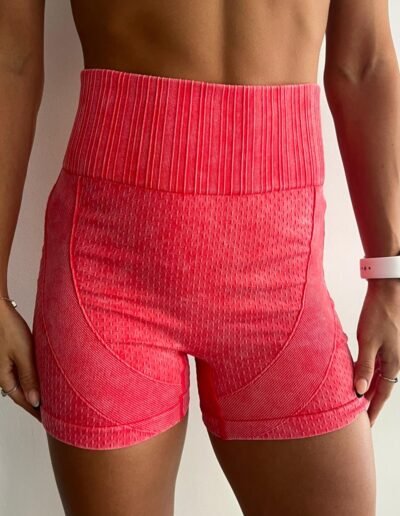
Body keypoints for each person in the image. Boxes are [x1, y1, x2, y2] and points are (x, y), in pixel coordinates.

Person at [0, 1, 399, 514]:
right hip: (108, 277)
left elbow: (365, 62)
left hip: (285, 289)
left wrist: (390, 275)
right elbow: (10, 57)